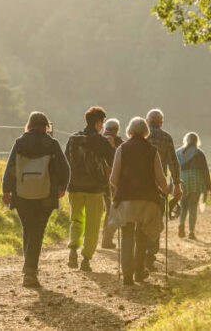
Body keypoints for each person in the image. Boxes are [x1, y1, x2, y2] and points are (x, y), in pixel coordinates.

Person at [2, 111, 70, 288]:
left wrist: (6, 190)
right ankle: (30, 271)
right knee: (38, 231)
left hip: (21, 194)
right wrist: (62, 187)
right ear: (46, 126)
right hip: (46, 196)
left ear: (29, 125)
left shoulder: (20, 143)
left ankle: (29, 268)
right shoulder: (52, 143)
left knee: (28, 229)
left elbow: (11, 167)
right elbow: (65, 169)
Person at [108, 117, 171, 286]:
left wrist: (123, 187)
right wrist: (166, 191)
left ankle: (127, 275)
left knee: (127, 235)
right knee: (142, 236)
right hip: (147, 199)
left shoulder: (122, 149)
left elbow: (113, 179)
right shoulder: (152, 150)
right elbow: (160, 179)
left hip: (126, 199)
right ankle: (139, 272)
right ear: (145, 132)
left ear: (129, 130)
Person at [65, 106, 116, 272]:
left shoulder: (73, 138)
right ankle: (86, 260)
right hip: (95, 188)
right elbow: (113, 159)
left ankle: (73, 249)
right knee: (93, 224)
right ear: (98, 123)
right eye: (102, 123)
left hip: (74, 186)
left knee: (76, 219)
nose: (102, 126)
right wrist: (112, 146)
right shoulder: (100, 141)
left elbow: (66, 160)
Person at [145, 109, 183, 272]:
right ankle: (150, 256)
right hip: (159, 187)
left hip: (139, 184)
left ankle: (138, 252)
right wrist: (176, 185)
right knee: (156, 221)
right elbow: (174, 163)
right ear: (161, 123)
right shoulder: (166, 138)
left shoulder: (140, 136)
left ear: (147, 121)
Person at [176, 132, 211, 240]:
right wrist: (209, 186)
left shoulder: (178, 153)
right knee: (193, 207)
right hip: (196, 182)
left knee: (183, 206)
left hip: (182, 181)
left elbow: (174, 169)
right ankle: (191, 232)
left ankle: (181, 225)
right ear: (197, 141)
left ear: (185, 140)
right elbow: (205, 170)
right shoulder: (199, 153)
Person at [101, 118, 124, 249]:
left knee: (105, 208)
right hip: (116, 181)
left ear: (105, 128)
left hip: (99, 180)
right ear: (117, 129)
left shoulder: (97, 140)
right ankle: (107, 238)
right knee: (113, 208)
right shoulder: (121, 142)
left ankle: (103, 237)